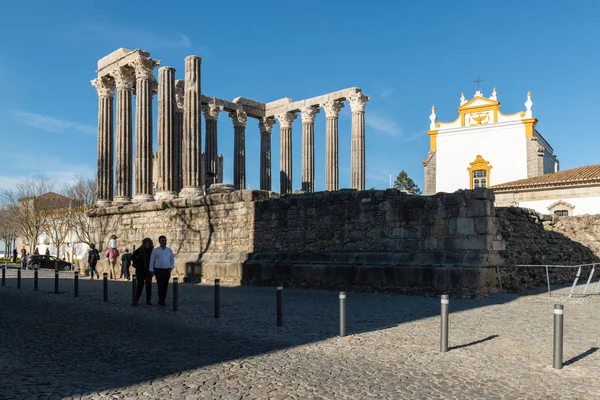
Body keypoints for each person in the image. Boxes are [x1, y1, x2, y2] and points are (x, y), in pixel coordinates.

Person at [149, 235, 175, 307]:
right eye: (162, 240)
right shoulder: (155, 250)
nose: (164, 242)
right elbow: (152, 260)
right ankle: (161, 300)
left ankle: (163, 299)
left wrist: (171, 267)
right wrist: (151, 270)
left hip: (167, 270)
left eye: (165, 240)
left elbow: (172, 259)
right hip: (158, 270)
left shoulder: (169, 250)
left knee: (165, 286)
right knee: (160, 286)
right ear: (159, 242)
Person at [132, 238, 154, 306]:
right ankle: (136, 299)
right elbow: (133, 256)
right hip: (140, 270)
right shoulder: (140, 249)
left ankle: (148, 300)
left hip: (148, 271)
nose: (147, 245)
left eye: (148, 244)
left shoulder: (152, 251)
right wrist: (136, 262)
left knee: (148, 286)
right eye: (146, 244)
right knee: (140, 285)